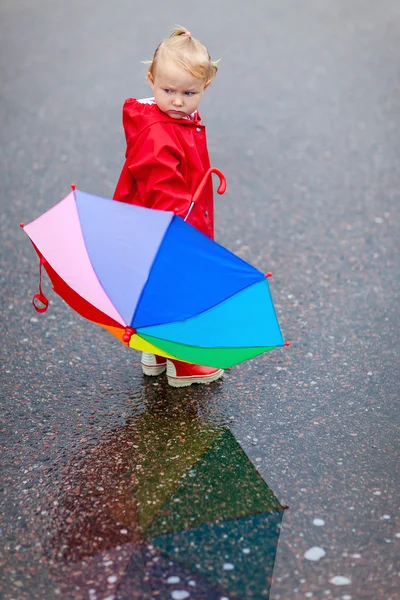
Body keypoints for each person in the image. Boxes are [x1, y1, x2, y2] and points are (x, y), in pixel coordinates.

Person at [113, 26, 224, 388]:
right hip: (167, 225)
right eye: (168, 90)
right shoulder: (157, 131)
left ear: (205, 88)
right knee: (179, 284)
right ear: (151, 80)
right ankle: (184, 362)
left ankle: (156, 350)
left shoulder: (176, 120)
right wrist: (183, 231)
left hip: (168, 222)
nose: (177, 101)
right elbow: (161, 186)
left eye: (189, 93)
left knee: (156, 286)